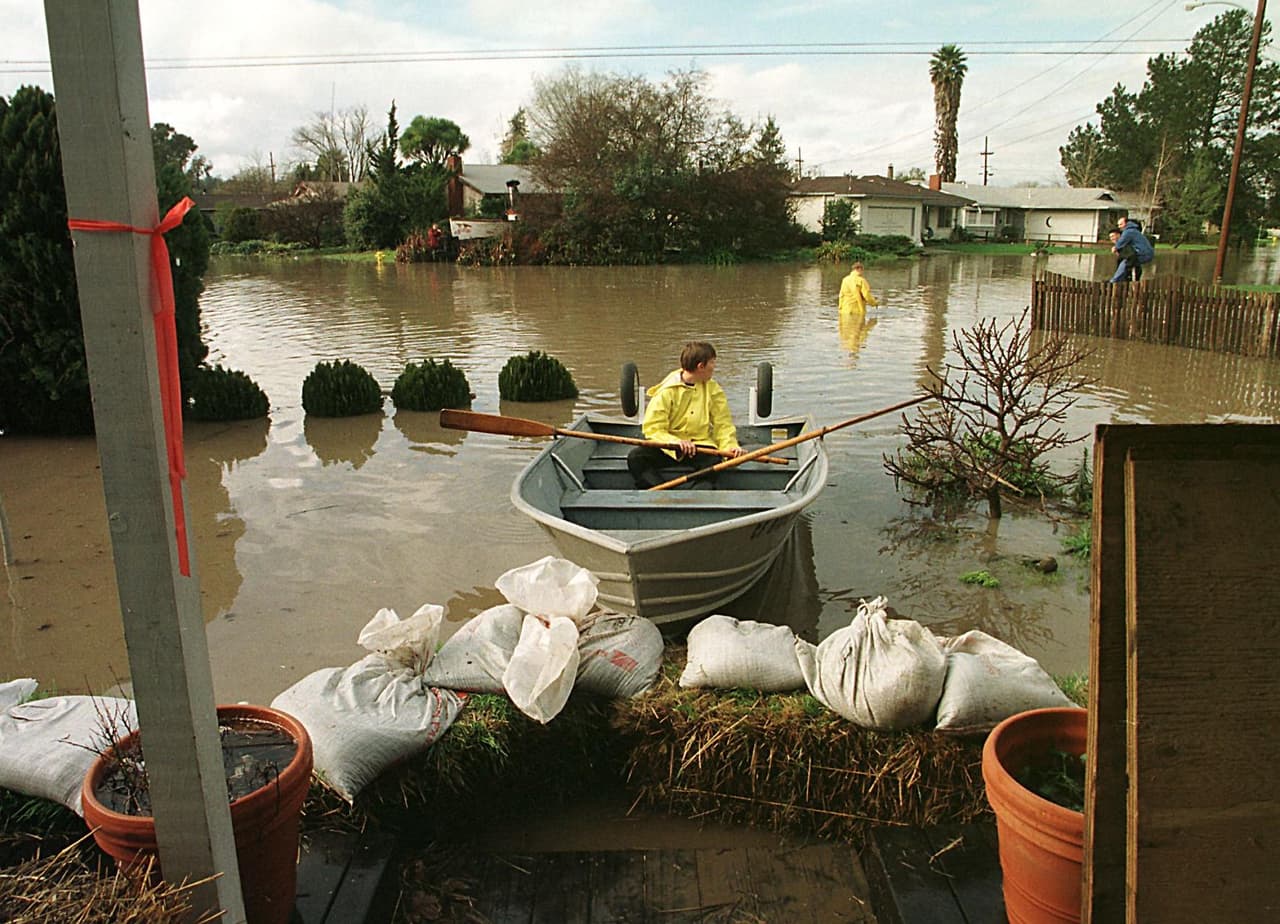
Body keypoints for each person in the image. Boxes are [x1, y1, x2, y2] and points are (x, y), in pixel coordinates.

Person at [626, 341, 746, 489]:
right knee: (636, 458)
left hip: (700, 446)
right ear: (701, 366)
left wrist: (730, 447)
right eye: (712, 362)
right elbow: (653, 428)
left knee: (714, 462)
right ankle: (662, 492)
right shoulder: (666, 392)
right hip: (668, 448)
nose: (714, 367)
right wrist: (675, 442)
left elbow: (723, 425)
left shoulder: (713, 389)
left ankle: (697, 494)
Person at [1109, 216, 1154, 283]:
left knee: (1126, 262)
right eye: (1118, 225)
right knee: (1131, 263)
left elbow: (1120, 243)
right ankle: (1130, 281)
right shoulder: (1133, 230)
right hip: (1145, 253)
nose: (1119, 226)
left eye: (1121, 224)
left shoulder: (1128, 232)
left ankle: (1114, 281)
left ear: (1126, 223)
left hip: (1143, 253)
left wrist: (1115, 248)